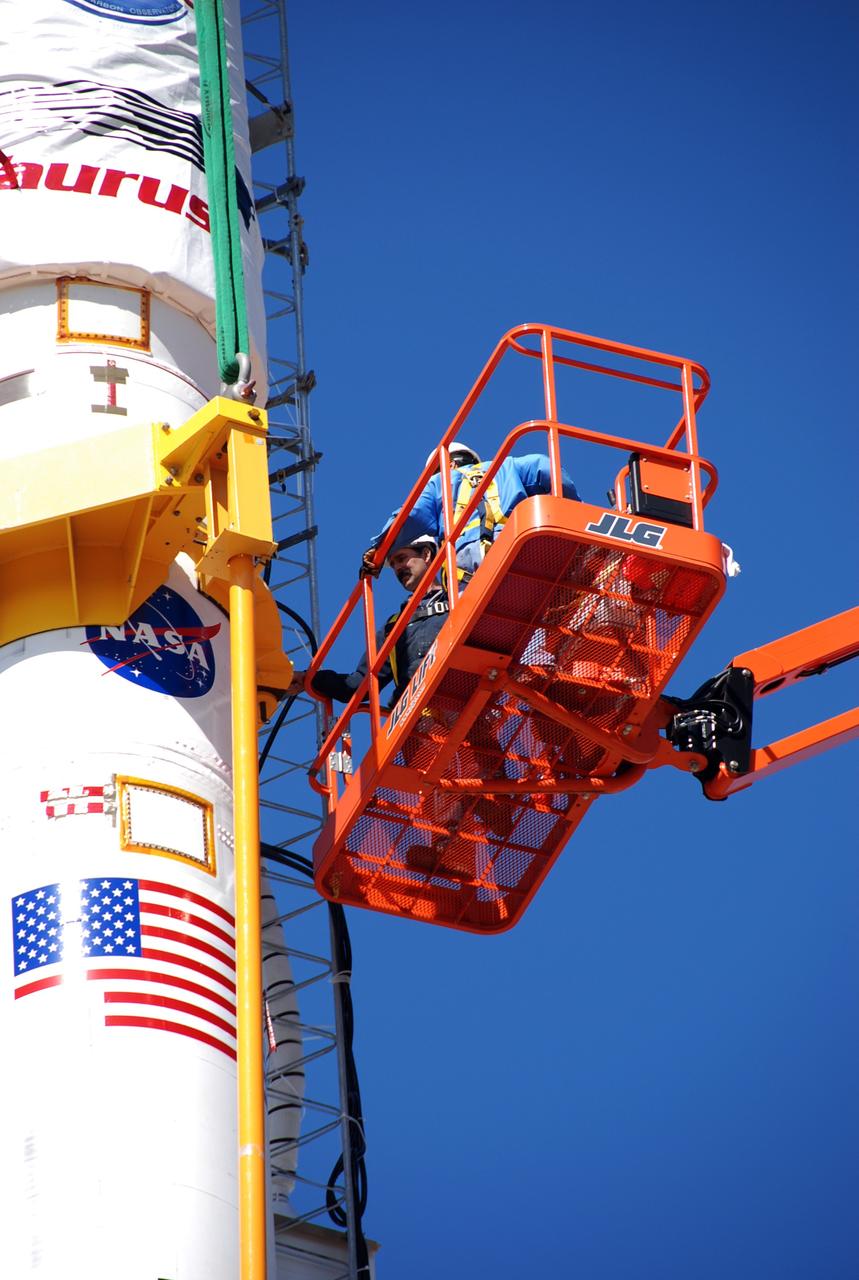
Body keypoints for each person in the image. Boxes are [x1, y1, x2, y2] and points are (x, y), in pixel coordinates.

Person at [361, 441, 580, 581]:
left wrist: (380, 549)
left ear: (446, 467)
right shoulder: (507, 466)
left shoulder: (439, 484)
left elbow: (409, 516)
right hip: (519, 551)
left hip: (470, 576)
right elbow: (547, 468)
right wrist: (573, 518)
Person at [290, 536, 448, 708]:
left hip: (457, 679)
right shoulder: (394, 627)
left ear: (426, 555)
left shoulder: (459, 594)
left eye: (402, 558)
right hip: (418, 710)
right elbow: (359, 685)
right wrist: (309, 679)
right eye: (393, 564)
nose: (398, 569)